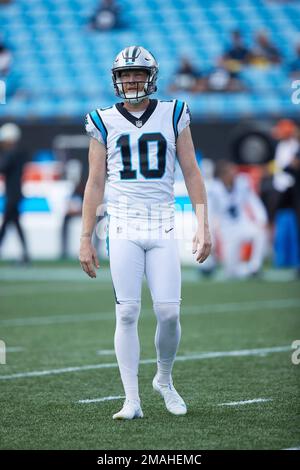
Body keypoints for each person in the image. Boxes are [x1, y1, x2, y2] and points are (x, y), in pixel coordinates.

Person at [79, 46, 211, 420]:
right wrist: (85, 237)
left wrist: (203, 222)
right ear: (115, 79)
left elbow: (192, 171)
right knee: (127, 313)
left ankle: (164, 380)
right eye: (125, 75)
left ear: (151, 76)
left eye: (137, 73)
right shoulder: (102, 119)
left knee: (169, 312)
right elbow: (94, 183)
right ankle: (131, 400)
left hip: (163, 223)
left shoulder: (173, 113)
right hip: (122, 225)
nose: (131, 80)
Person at [209, 160, 267, 278]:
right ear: (222, 175)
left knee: (259, 233)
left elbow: (252, 200)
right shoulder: (213, 189)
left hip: (242, 224)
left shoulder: (242, 183)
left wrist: (261, 218)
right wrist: (210, 234)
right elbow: (209, 212)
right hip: (227, 230)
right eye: (230, 171)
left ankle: (255, 267)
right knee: (230, 272)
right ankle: (244, 270)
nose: (233, 173)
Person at [0, 123, 30, 263]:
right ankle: (25, 255)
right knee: (15, 224)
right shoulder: (18, 153)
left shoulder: (12, 154)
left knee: (6, 223)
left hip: (13, 195)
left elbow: (3, 167)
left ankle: (25, 255)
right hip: (15, 194)